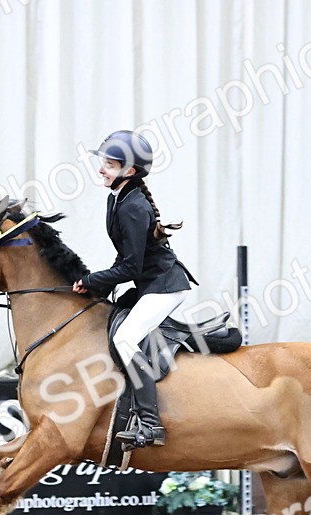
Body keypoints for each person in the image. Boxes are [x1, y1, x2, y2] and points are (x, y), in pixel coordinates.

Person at [73, 130, 196, 449]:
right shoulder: (118, 197)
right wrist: (98, 285)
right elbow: (125, 258)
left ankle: (151, 423)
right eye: (103, 162)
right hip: (149, 281)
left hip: (164, 286)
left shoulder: (132, 207)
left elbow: (131, 268)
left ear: (129, 172)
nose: (101, 168)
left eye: (109, 165)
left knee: (124, 338)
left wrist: (92, 281)